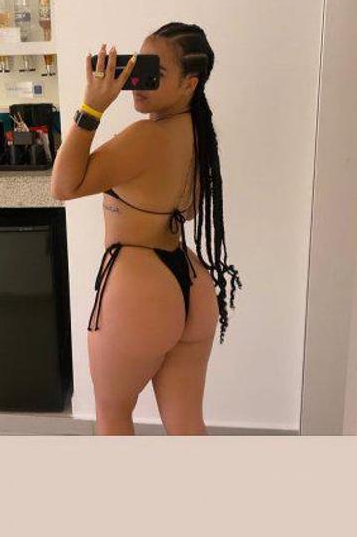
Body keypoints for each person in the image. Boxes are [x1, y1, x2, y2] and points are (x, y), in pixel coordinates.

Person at [50, 22, 242, 436]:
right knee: (187, 424)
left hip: (139, 292)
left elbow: (62, 186)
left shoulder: (146, 137)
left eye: (155, 72)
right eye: (139, 66)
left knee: (113, 416)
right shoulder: (198, 134)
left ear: (189, 83)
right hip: (191, 284)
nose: (138, 81)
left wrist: (91, 108)